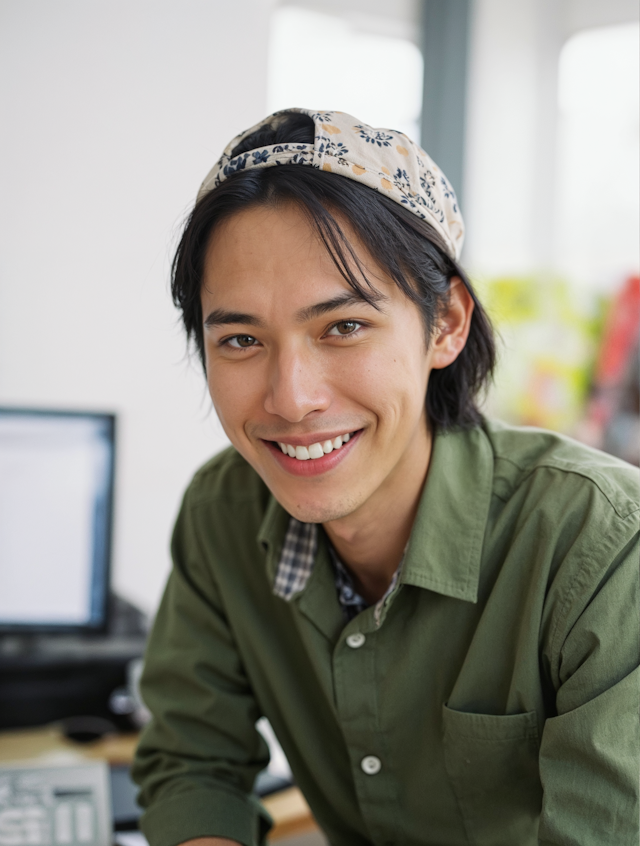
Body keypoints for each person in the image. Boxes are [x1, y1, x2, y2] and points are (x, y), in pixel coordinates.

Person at [131, 108, 640, 846]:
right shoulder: (225, 511)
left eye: (343, 327)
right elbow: (192, 762)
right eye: (241, 339)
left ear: (446, 325)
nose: (291, 398)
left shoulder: (603, 547)